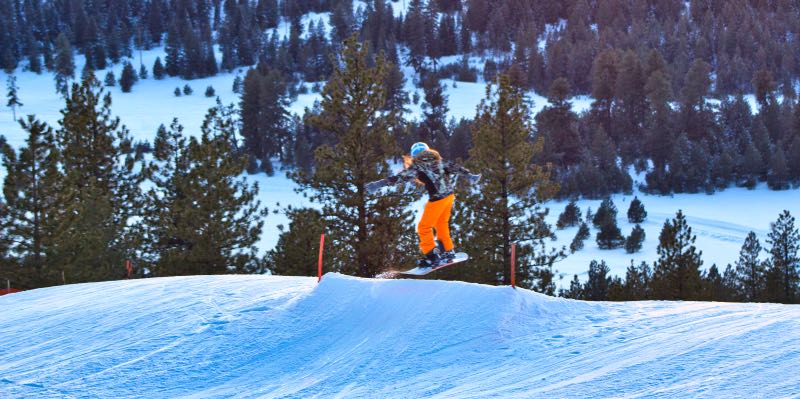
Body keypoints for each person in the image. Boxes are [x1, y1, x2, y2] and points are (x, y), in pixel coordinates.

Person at [366, 142, 480, 267]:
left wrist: (378, 184)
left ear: (414, 155)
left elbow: (399, 178)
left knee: (423, 227)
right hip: (449, 197)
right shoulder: (439, 161)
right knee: (441, 224)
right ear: (428, 150)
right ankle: (448, 251)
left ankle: (431, 257)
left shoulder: (417, 166)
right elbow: (456, 168)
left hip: (437, 199)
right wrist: (470, 176)